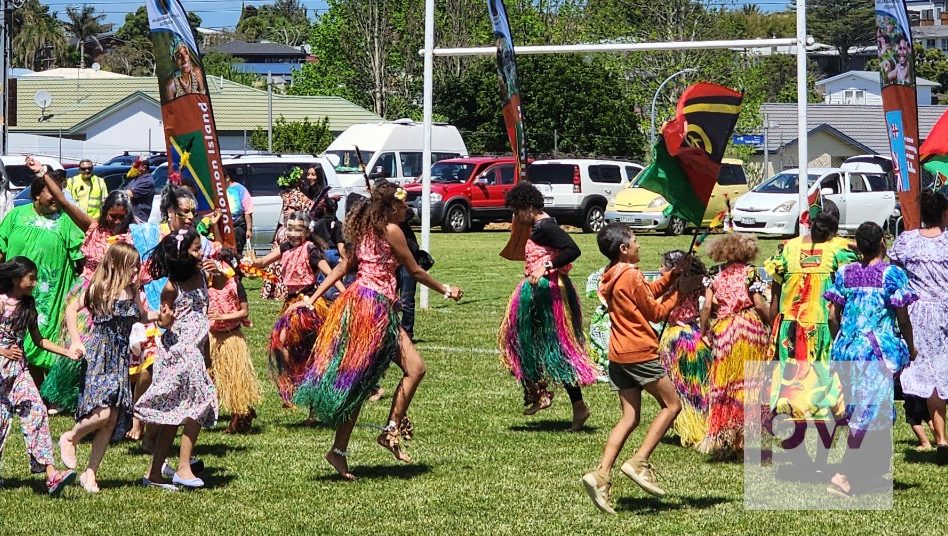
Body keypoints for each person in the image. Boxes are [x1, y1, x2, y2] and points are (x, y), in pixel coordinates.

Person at [293, 182, 462, 480]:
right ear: (392, 207)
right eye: (404, 204)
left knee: (410, 370)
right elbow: (415, 271)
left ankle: (383, 434)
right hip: (373, 311)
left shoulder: (368, 229)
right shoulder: (391, 230)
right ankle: (348, 448)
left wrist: (316, 296)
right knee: (386, 376)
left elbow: (343, 268)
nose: (407, 209)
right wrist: (446, 289)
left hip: (368, 306)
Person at [582, 223, 683, 514]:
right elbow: (655, 311)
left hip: (618, 355)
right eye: (636, 241)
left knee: (629, 418)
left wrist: (671, 277)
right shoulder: (631, 273)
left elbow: (647, 292)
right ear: (624, 249)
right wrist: (680, 293)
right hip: (640, 351)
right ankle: (639, 461)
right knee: (672, 405)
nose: (640, 245)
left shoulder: (613, 274)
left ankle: (601, 475)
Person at [28, 157, 134, 415]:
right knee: (80, 346)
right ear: (105, 210)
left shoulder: (130, 237)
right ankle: (71, 397)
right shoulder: (93, 228)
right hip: (86, 294)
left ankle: (98, 399)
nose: (116, 221)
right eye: (112, 215)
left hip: (112, 299)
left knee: (105, 350)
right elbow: (63, 201)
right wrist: (43, 172)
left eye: (121, 217)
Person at [824, 222, 917, 497]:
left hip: (847, 349)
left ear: (858, 245)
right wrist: (910, 346)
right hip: (874, 353)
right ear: (882, 243)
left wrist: (840, 342)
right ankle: (843, 475)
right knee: (866, 415)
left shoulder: (844, 272)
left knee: (864, 410)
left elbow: (832, 316)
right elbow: (903, 316)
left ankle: (872, 475)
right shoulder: (891, 275)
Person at [498, 183, 596, 431]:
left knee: (557, 350)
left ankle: (578, 408)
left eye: (517, 211)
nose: (515, 216)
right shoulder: (536, 226)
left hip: (549, 293)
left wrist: (547, 266)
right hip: (536, 292)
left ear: (529, 208)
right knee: (523, 342)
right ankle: (538, 393)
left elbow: (573, 250)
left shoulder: (546, 226)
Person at [134, 229, 224, 490]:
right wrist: (165, 320)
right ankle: (183, 467)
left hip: (195, 348)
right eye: (196, 249)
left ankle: (154, 473)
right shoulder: (171, 287)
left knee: (176, 413)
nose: (201, 252)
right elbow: (163, 320)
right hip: (178, 350)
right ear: (181, 254)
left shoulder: (202, 275)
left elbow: (218, 286)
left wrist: (217, 271)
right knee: (200, 403)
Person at [59, 243, 153, 493]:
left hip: (121, 356)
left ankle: (90, 474)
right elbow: (71, 308)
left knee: (111, 419)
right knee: (101, 413)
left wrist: (163, 317)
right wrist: (77, 340)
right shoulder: (100, 288)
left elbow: (143, 317)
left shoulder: (134, 291)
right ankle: (72, 437)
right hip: (101, 354)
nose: (136, 271)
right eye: (132, 266)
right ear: (117, 265)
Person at [765, 211, 857, 419]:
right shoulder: (838, 248)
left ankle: (789, 410)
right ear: (832, 231)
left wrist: (774, 323)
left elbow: (775, 293)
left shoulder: (789, 248)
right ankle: (821, 410)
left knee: (791, 372)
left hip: (790, 322)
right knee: (822, 370)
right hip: (821, 322)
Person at [0, 166, 84, 392]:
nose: (58, 198)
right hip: (16, 290)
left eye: (60, 193)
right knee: (18, 336)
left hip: (52, 292)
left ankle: (52, 391)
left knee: (45, 334)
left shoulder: (66, 220)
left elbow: (81, 256)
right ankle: (28, 385)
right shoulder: (16, 215)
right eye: (53, 193)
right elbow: (1, 247)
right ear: (37, 194)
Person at [0, 257, 78, 496]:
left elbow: (39, 340)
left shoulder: (28, 305)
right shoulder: (1, 303)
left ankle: (51, 474)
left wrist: (67, 352)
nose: (35, 282)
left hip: (19, 373)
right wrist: (2, 350)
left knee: (37, 411)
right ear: (16, 278)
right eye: (31, 278)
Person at [251, 211, 344, 409]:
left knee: (310, 350)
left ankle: (310, 392)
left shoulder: (310, 249)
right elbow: (262, 262)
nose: (292, 234)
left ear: (307, 232)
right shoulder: (285, 247)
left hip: (308, 303)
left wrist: (345, 294)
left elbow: (331, 274)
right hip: (291, 303)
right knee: (280, 345)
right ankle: (296, 381)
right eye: (289, 229)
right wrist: (250, 262)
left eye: (297, 230)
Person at [698, 233, 770, 456]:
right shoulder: (750, 272)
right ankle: (743, 440)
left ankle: (722, 437)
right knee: (749, 384)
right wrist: (772, 323)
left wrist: (703, 330)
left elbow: (707, 306)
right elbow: (759, 304)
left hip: (725, 332)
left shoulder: (714, 273)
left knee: (725, 384)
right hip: (749, 331)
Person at [889, 190, 948, 462]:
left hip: (918, 315)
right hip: (944, 312)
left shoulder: (906, 242)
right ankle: (941, 439)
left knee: (930, 376)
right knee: (941, 374)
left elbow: (891, 269)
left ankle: (940, 438)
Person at [657, 250, 712, 449]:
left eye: (663, 265)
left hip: (677, 338)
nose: (659, 268)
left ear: (674, 268)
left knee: (680, 386)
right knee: (696, 385)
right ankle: (699, 424)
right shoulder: (699, 281)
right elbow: (709, 304)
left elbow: (660, 312)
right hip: (695, 334)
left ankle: (690, 426)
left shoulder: (672, 286)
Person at [208, 248, 261, 434]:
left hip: (232, 337)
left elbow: (244, 312)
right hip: (213, 337)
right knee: (214, 379)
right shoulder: (207, 285)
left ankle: (239, 414)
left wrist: (223, 316)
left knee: (234, 379)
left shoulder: (236, 285)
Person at [261, 166, 320, 300]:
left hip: (284, 229)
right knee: (287, 259)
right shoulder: (297, 195)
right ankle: (285, 288)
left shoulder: (283, 195)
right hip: (287, 230)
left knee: (284, 260)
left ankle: (278, 289)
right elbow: (311, 207)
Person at [226, 175, 253, 257]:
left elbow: (248, 212)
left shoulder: (240, 189)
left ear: (227, 178)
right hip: (224, 227)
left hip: (237, 227)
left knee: (236, 253)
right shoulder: (218, 190)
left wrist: (249, 230)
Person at [123, 159, 156, 224]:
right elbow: (126, 190)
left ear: (144, 167)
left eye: (137, 166)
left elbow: (130, 194)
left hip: (139, 218)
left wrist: (117, 194)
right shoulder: (136, 179)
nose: (134, 168)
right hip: (130, 217)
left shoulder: (147, 181)